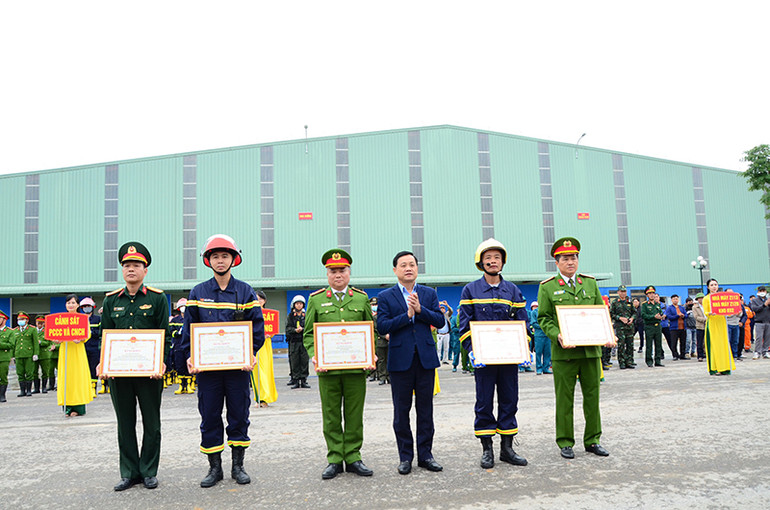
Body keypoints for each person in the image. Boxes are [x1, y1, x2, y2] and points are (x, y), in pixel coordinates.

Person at [178, 234, 265, 488]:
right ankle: (214, 468)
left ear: (233, 259)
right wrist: (190, 356)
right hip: (208, 371)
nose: (220, 260)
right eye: (215, 256)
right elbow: (189, 330)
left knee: (239, 415)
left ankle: (238, 466)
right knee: (210, 416)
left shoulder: (246, 291)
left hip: (238, 369)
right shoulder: (198, 292)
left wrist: (251, 353)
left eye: (224, 255)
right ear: (208, 260)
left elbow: (256, 331)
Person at [537, 237, 615, 460]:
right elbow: (544, 318)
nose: (570, 262)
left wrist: (609, 334)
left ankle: (593, 440)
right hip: (565, 352)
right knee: (565, 399)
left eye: (574, 258)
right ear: (557, 262)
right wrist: (557, 335)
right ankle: (565, 442)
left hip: (591, 351)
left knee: (593, 397)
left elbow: (601, 313)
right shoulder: (548, 287)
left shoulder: (590, 283)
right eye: (565, 258)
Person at [99, 243, 169, 491]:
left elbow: (165, 334)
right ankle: (129, 472)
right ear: (122, 269)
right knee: (124, 423)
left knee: (152, 423)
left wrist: (162, 361)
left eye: (136, 265)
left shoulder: (158, 299)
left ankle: (149, 471)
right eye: (127, 265)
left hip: (149, 373)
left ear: (145, 270)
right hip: (119, 374)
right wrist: (102, 363)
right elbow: (105, 335)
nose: (131, 269)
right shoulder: (111, 301)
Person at [303, 248, 375, 480]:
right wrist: (316, 355)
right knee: (331, 414)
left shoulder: (361, 298)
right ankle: (334, 458)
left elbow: (369, 331)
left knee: (354, 414)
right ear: (327, 274)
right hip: (328, 370)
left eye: (342, 270)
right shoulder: (316, 300)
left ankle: (353, 456)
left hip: (356, 369)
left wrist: (371, 354)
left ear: (349, 272)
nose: (337, 275)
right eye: (333, 271)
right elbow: (308, 335)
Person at [459, 238, 528, 469]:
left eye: (496, 257)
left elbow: (523, 323)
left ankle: (507, 449)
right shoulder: (470, 289)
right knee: (484, 402)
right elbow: (464, 326)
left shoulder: (513, 290)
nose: (492, 261)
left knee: (510, 400)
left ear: (502, 261)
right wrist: (471, 352)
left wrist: (524, 347)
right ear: (481, 262)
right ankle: (486, 448)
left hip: (509, 359)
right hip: (483, 360)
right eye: (488, 258)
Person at [376, 250, 445, 475]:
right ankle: (405, 457)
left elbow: (439, 320)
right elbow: (382, 326)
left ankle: (426, 455)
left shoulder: (428, 293)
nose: (408, 268)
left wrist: (419, 310)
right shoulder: (386, 297)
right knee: (401, 411)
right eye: (403, 265)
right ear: (395, 270)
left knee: (426, 410)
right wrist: (406, 315)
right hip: (400, 362)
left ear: (417, 268)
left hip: (425, 360)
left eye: (412, 264)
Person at [55, 295, 93, 415]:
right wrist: (56, 339)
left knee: (77, 378)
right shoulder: (60, 319)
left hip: (77, 351)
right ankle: (67, 408)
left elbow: (88, 334)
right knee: (66, 378)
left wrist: (81, 339)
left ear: (77, 305)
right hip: (65, 350)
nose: (70, 305)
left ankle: (79, 408)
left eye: (73, 303)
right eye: (68, 303)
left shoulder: (82, 318)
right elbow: (55, 333)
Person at [702, 278, 736, 375]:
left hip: (722, 322)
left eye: (715, 284)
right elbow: (705, 312)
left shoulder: (722, 297)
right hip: (712, 323)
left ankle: (725, 367)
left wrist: (734, 311)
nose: (714, 287)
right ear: (708, 287)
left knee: (724, 344)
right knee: (714, 345)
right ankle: (715, 367)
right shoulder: (706, 298)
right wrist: (710, 313)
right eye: (712, 285)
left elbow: (727, 310)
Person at [252, 290, 277, 406]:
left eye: (261, 299)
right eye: (257, 299)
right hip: (255, 343)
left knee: (266, 370)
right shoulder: (251, 313)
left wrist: (270, 334)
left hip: (266, 344)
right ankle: (258, 397)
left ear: (264, 301)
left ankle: (265, 397)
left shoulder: (269, 314)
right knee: (256, 371)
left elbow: (273, 329)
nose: (259, 301)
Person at [80, 297, 103, 395]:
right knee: (85, 368)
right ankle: (87, 387)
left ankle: (93, 388)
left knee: (94, 367)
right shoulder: (79, 319)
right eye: (85, 307)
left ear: (92, 307)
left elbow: (101, 332)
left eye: (88, 306)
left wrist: (92, 332)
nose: (86, 308)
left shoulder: (98, 319)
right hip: (83, 347)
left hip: (94, 347)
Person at [286, 295, 310, 389]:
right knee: (294, 361)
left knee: (304, 361)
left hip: (303, 341)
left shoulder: (306, 316)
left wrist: (302, 329)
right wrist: (295, 330)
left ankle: (304, 380)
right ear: (294, 305)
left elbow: (309, 327)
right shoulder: (291, 316)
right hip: (294, 342)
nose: (299, 305)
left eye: (300, 304)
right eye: (297, 304)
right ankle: (295, 380)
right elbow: (288, 328)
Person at [609, 286, 636, 369]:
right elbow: (611, 314)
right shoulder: (615, 302)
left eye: (624, 291)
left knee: (630, 344)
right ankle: (622, 362)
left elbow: (634, 312)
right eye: (621, 291)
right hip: (620, 327)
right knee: (621, 345)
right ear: (618, 292)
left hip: (629, 326)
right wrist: (620, 318)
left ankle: (630, 361)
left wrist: (632, 318)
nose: (623, 293)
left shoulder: (630, 301)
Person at [13, 312, 38, 397]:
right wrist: (13, 355)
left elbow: (35, 343)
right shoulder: (15, 330)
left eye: (22, 319)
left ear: (27, 320)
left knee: (29, 373)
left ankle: (28, 390)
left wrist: (35, 354)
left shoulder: (32, 329)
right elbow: (14, 344)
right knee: (20, 373)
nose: (20, 321)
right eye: (19, 319)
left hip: (28, 354)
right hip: (18, 354)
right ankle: (22, 391)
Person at [641, 287, 665, 367]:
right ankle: (649, 361)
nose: (652, 295)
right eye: (650, 293)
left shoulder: (657, 304)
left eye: (653, 293)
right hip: (649, 326)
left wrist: (661, 316)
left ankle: (658, 361)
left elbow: (660, 313)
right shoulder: (645, 305)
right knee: (649, 345)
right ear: (647, 295)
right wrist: (653, 316)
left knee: (658, 344)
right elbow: (644, 315)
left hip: (658, 326)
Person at [370, 297, 390, 385]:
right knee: (381, 360)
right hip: (381, 340)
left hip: (390, 340)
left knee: (390, 359)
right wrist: (384, 336)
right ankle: (382, 377)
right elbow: (376, 328)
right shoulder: (375, 317)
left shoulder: (388, 315)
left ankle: (389, 377)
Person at [530, 302, 552, 375]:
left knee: (547, 352)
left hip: (547, 335)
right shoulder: (534, 312)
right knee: (539, 352)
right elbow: (533, 323)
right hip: (539, 335)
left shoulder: (547, 311)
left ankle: (546, 368)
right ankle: (539, 368)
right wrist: (543, 327)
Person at [749, 286, 770, 359]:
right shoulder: (755, 300)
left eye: (764, 291)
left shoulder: (768, 300)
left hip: (768, 321)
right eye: (761, 291)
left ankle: (765, 351)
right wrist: (764, 305)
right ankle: (757, 352)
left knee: (767, 337)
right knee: (759, 338)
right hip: (759, 322)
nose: (762, 292)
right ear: (758, 292)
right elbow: (755, 309)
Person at [33, 316, 53, 394]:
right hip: (35, 354)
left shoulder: (47, 331)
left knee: (45, 371)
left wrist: (41, 342)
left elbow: (48, 342)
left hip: (44, 354)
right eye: (38, 323)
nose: (40, 324)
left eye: (41, 323)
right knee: (34, 371)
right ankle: (36, 388)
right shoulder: (33, 331)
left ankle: (44, 387)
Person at [665, 295, 687, 361]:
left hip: (682, 327)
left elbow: (686, 315)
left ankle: (682, 355)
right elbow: (669, 317)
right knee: (674, 342)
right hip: (674, 328)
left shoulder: (682, 307)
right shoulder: (669, 308)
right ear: (671, 300)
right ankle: (675, 355)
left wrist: (683, 316)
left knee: (683, 342)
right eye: (674, 299)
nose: (675, 300)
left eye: (677, 299)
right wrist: (677, 316)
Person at [0, 310, 14, 402]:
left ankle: (2, 395)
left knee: (2, 376)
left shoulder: (9, 332)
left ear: (4, 320)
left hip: (3, 357)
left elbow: (11, 345)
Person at [692, 293, 707, 361]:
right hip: (700, 326)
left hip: (708, 325)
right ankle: (700, 355)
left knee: (707, 341)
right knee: (700, 341)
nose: (701, 299)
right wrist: (705, 319)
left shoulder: (707, 306)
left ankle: (707, 354)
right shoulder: (695, 307)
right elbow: (696, 317)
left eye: (702, 298)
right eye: (700, 298)